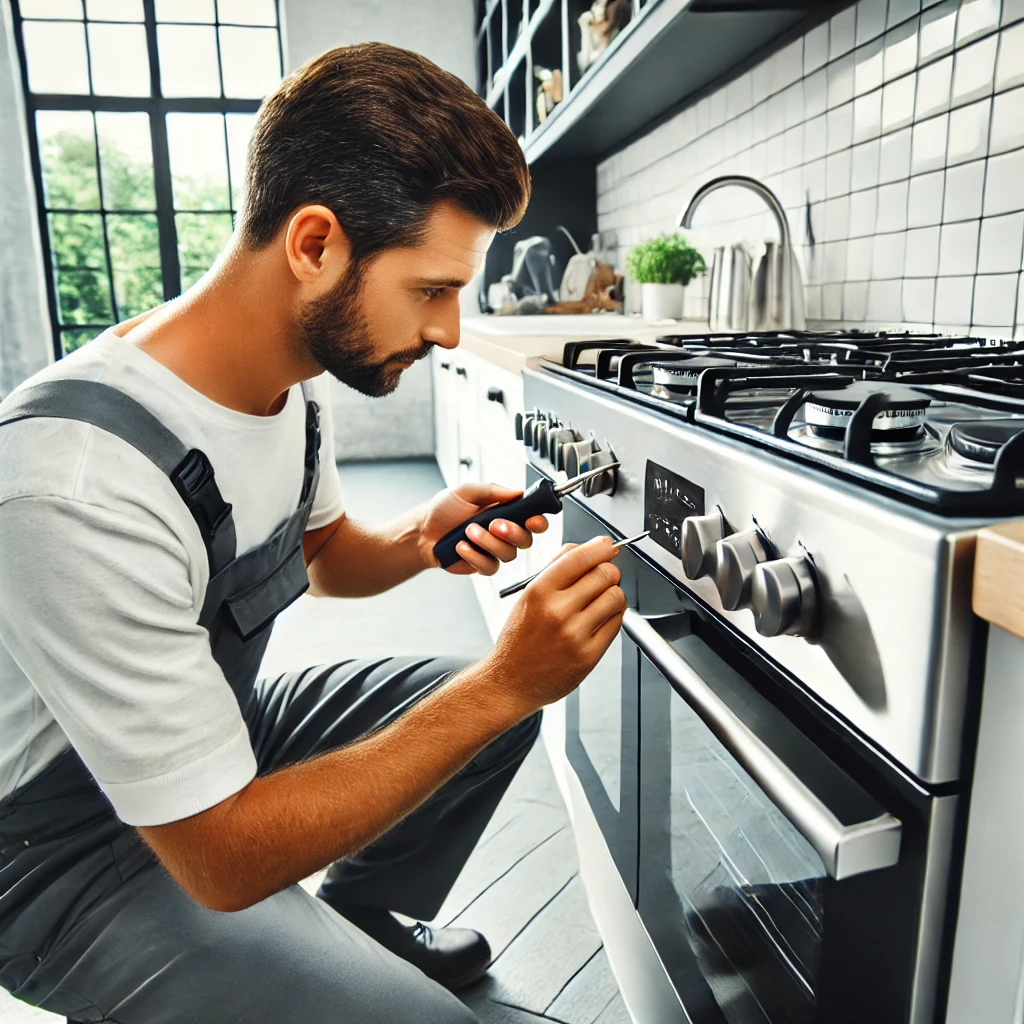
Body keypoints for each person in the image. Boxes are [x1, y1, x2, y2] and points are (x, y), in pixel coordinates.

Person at [0, 42, 627, 1024]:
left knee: (487, 720)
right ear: (315, 244)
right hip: (56, 857)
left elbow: (322, 560)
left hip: (207, 739)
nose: (451, 331)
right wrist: (504, 676)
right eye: (430, 289)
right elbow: (218, 857)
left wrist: (424, 533)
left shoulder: (285, 383)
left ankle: (365, 927)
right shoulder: (72, 481)